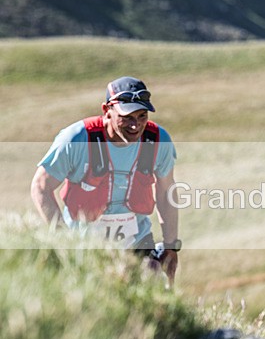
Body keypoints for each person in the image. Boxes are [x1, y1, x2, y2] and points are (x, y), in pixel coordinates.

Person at [31, 76, 181, 285]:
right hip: (84, 246)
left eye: (142, 116)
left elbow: (166, 194)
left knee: (152, 289)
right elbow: (41, 187)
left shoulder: (157, 140)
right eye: (127, 117)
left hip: (137, 242)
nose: (135, 125)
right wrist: (65, 242)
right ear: (106, 110)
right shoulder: (76, 139)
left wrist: (170, 245)